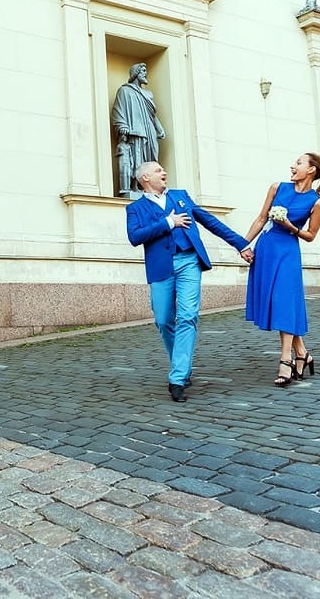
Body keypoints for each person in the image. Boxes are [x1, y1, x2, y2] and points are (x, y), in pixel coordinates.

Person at [126, 162, 253, 402]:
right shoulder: (135, 208)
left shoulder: (181, 196)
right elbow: (135, 237)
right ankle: (181, 364)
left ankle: (178, 378)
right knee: (163, 320)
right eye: (158, 171)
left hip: (188, 262)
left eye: (164, 170)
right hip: (161, 267)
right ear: (145, 178)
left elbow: (210, 221)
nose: (164, 173)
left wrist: (241, 244)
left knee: (187, 316)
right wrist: (168, 223)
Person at [243, 153, 320, 387]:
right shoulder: (277, 187)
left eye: (299, 163)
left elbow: (311, 236)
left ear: (311, 170)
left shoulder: (317, 202)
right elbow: (261, 218)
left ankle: (286, 360)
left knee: (284, 301)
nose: (293, 166)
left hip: (288, 252)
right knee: (278, 302)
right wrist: (243, 244)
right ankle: (302, 353)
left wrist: (291, 226)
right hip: (267, 248)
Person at [112, 62, 166, 196]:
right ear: (136, 73)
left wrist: (159, 128)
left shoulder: (148, 94)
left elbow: (152, 116)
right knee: (136, 158)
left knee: (151, 158)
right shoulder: (124, 91)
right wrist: (122, 125)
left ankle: (149, 188)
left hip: (150, 132)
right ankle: (134, 187)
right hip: (135, 131)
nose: (145, 74)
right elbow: (118, 110)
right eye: (142, 72)